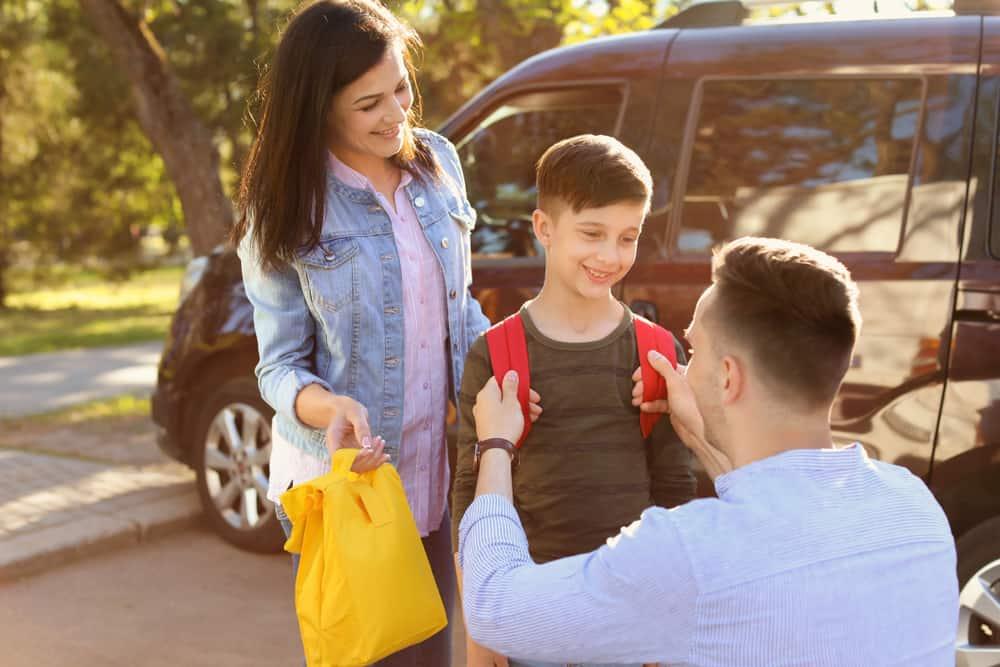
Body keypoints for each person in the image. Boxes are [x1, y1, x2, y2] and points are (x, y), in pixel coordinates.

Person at [458, 237, 959, 666]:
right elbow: (775, 519)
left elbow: (496, 607)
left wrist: (497, 444)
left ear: (727, 377)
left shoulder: (690, 554)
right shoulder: (915, 508)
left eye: (693, 353)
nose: (682, 368)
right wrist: (698, 436)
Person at [231, 1, 491, 663]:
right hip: (351, 480)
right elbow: (279, 367)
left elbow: (460, 312)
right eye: (369, 102)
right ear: (318, 106)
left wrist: (511, 370)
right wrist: (334, 406)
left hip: (438, 472)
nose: (397, 114)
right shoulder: (286, 202)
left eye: (401, 87)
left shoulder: (438, 162)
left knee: (433, 649)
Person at [452, 134, 697, 667]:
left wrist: (667, 628)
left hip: (631, 622)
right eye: (593, 234)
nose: (610, 256)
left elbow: (677, 492)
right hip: (530, 616)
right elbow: (472, 496)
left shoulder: (656, 351)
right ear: (544, 228)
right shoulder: (496, 354)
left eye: (627, 237)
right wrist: (479, 637)